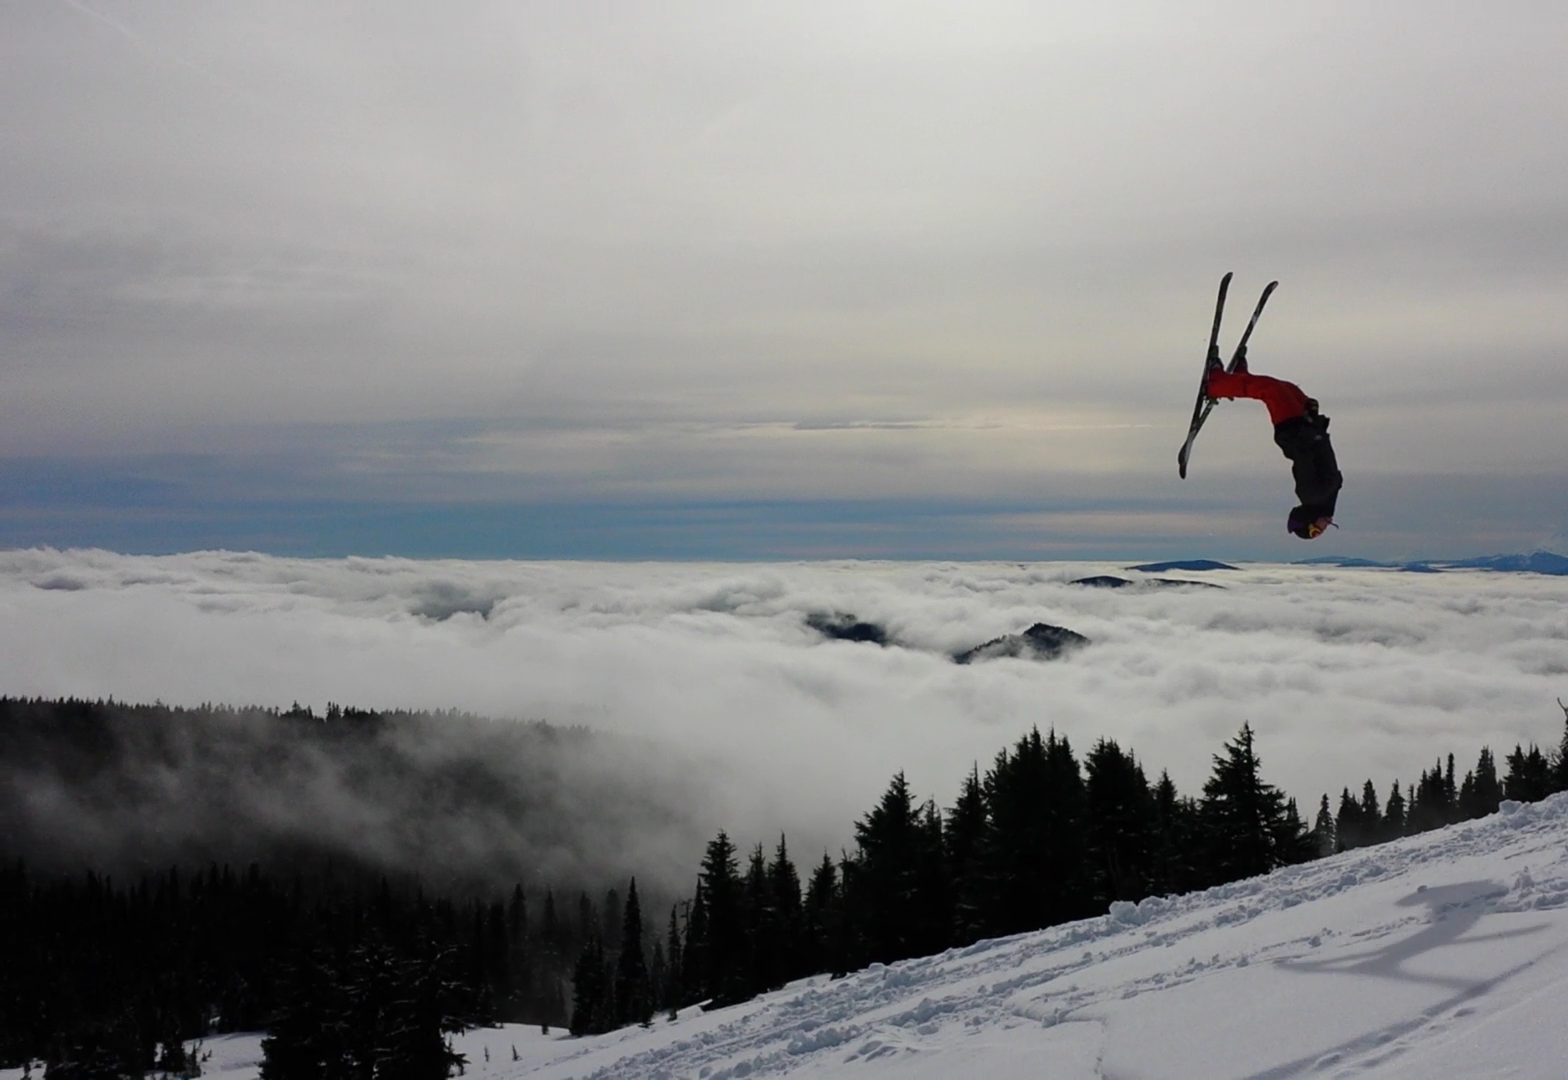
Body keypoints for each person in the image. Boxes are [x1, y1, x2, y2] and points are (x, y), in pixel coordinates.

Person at [1204, 352, 1342, 539]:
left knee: (1271, 390)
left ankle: (1215, 384)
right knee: (1288, 388)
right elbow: (1323, 456)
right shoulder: (1324, 499)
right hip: (1304, 428)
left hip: (1293, 430)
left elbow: (1303, 455)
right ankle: (1239, 378)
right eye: (1317, 532)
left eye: (1314, 531)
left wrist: (1311, 428)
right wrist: (1317, 428)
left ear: (1308, 518)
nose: (1322, 530)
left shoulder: (1311, 495)